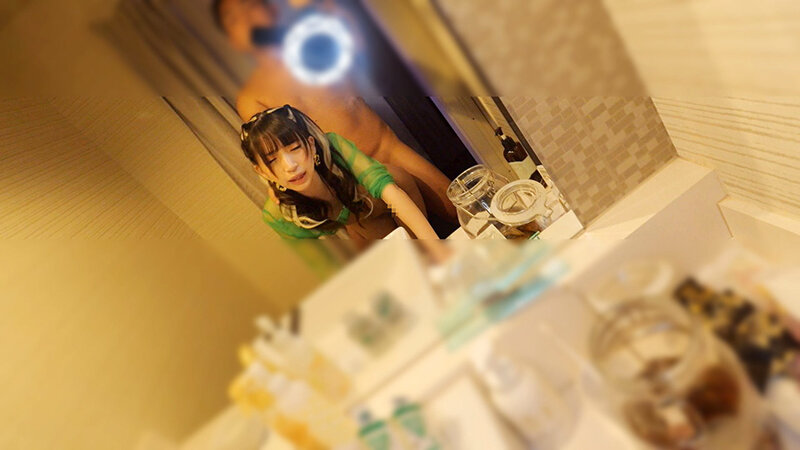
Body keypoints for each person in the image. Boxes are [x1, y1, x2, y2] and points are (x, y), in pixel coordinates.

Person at [212, 0, 458, 232]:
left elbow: (354, 37)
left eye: (249, 5)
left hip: (386, 148)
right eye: (233, 19)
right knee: (405, 250)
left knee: (458, 208)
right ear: (233, 40)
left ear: (271, 9)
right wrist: (275, 185)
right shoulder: (251, 97)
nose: (246, 19)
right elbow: (270, 150)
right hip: (347, 184)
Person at [240, 105, 447, 260]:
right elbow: (323, 265)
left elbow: (388, 189)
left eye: (295, 148)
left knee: (396, 179)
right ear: (261, 170)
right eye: (272, 160)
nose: (290, 166)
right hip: (359, 224)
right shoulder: (279, 215)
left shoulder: (333, 148)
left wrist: (436, 249)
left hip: (375, 201)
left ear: (311, 146)